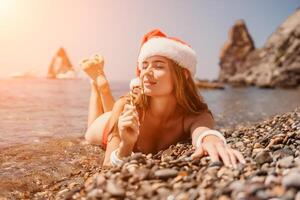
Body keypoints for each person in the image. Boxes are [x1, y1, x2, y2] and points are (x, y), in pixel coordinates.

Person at [81, 29, 245, 167]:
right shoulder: (127, 107)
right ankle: (97, 86)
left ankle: (100, 86)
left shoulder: (194, 114)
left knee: (117, 114)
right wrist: (125, 146)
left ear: (184, 75)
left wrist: (212, 141)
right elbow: (107, 165)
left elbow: (204, 131)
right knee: (90, 133)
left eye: (158, 66)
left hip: (120, 116)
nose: (146, 72)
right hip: (104, 127)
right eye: (144, 66)